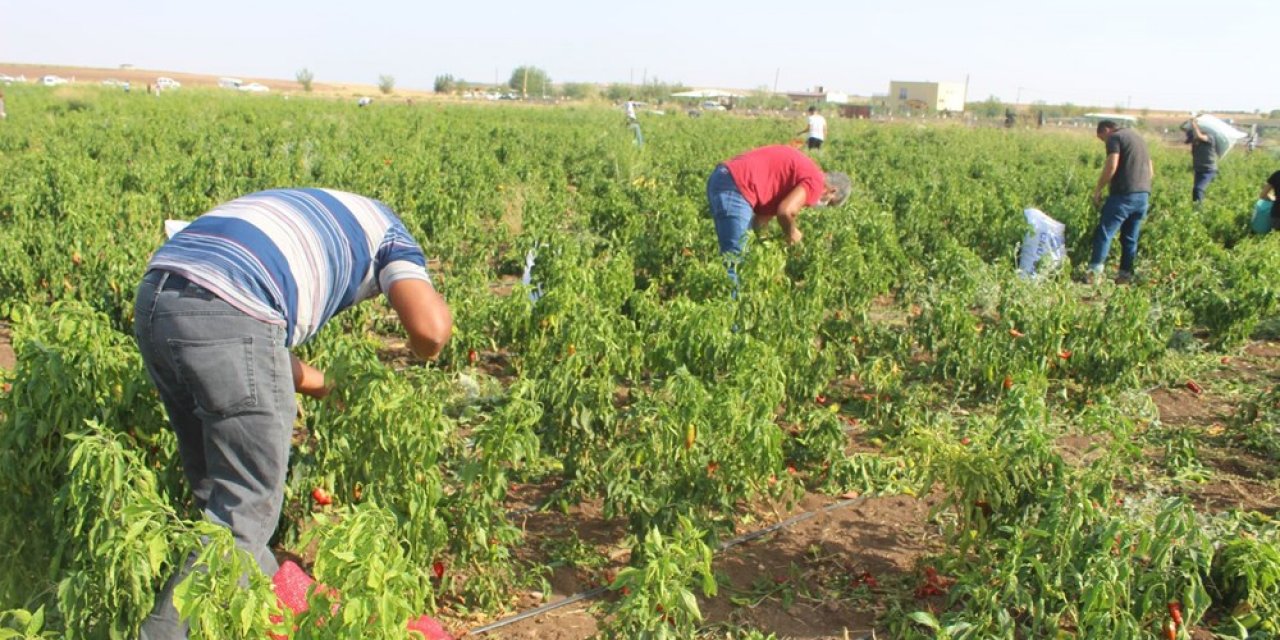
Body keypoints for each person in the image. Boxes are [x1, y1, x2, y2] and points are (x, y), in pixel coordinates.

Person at [134, 188, 453, 639]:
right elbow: (430, 333)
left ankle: (275, 618)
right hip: (231, 309)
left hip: (158, 298)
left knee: (216, 495)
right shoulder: (391, 236)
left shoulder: (314, 211)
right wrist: (441, 308)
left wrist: (331, 388)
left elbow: (244, 347)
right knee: (243, 512)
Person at [706, 145, 851, 284]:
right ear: (832, 191)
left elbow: (760, 222)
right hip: (735, 185)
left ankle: (734, 298)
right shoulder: (816, 182)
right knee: (736, 261)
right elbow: (786, 211)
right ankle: (732, 307)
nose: (821, 205)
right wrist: (792, 233)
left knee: (743, 256)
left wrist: (769, 247)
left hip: (723, 178)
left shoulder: (800, 177)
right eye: (829, 203)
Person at [1088, 120, 1153, 284]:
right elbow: (1151, 170)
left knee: (1104, 233)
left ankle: (1094, 274)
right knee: (1130, 237)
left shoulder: (1115, 138)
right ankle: (1125, 275)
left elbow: (1112, 165)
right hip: (1143, 195)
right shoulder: (1138, 138)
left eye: (1102, 138)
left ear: (1107, 130)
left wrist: (1098, 190)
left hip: (1124, 196)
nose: (1104, 142)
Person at [1187, 118, 1219, 204]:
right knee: (1195, 190)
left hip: (1208, 170)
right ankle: (1195, 210)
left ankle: (1199, 212)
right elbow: (1184, 129)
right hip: (1199, 170)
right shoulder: (1195, 141)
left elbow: (1199, 136)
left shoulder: (1210, 137)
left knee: (1198, 189)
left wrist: (1194, 124)